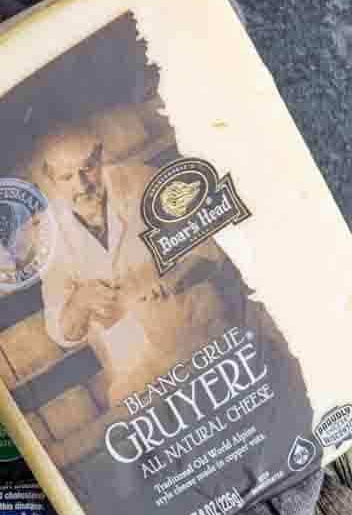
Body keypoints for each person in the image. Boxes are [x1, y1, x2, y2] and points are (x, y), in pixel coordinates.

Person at [35, 125, 229, 406]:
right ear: (50, 180)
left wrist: (174, 279)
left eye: (87, 169)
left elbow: (209, 246)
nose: (81, 185)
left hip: (196, 331)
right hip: (133, 369)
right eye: (66, 178)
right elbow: (60, 330)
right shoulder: (48, 233)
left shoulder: (141, 180)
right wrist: (79, 302)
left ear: (100, 156)